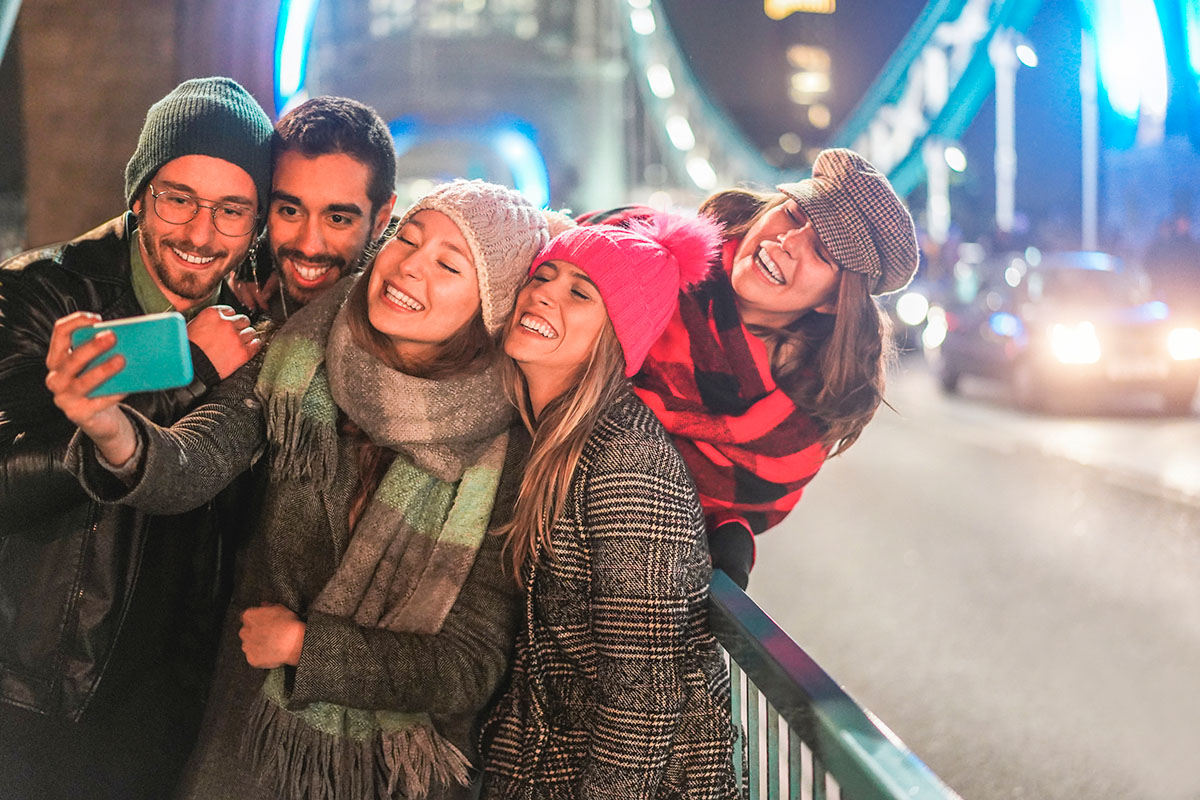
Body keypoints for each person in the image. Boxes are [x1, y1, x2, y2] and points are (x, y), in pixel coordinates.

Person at [58, 179, 549, 800]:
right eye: (407, 239)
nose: (408, 266)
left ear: (494, 308)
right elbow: (193, 461)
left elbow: (470, 664)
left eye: (449, 264)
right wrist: (110, 426)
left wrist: (306, 648)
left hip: (391, 772)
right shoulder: (302, 354)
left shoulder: (507, 450)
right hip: (252, 742)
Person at [0, 76, 273, 800]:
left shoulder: (254, 326)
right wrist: (186, 371)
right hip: (40, 694)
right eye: (177, 197)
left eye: (231, 210)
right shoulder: (41, 294)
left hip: (168, 700)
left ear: (255, 227)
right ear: (138, 193)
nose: (199, 233)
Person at [480, 212, 740, 800]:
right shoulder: (549, 435)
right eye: (544, 276)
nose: (545, 294)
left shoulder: (627, 465)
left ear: (615, 334)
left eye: (580, 293)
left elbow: (641, 707)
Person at [580, 148, 919, 588]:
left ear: (834, 300)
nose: (787, 242)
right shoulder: (638, 248)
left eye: (821, 252)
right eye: (794, 215)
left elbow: (729, 509)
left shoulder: (803, 421)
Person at [234, 95, 399, 320]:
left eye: (338, 219)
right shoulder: (236, 294)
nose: (309, 247)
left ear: (381, 220)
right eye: (290, 212)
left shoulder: (404, 334)